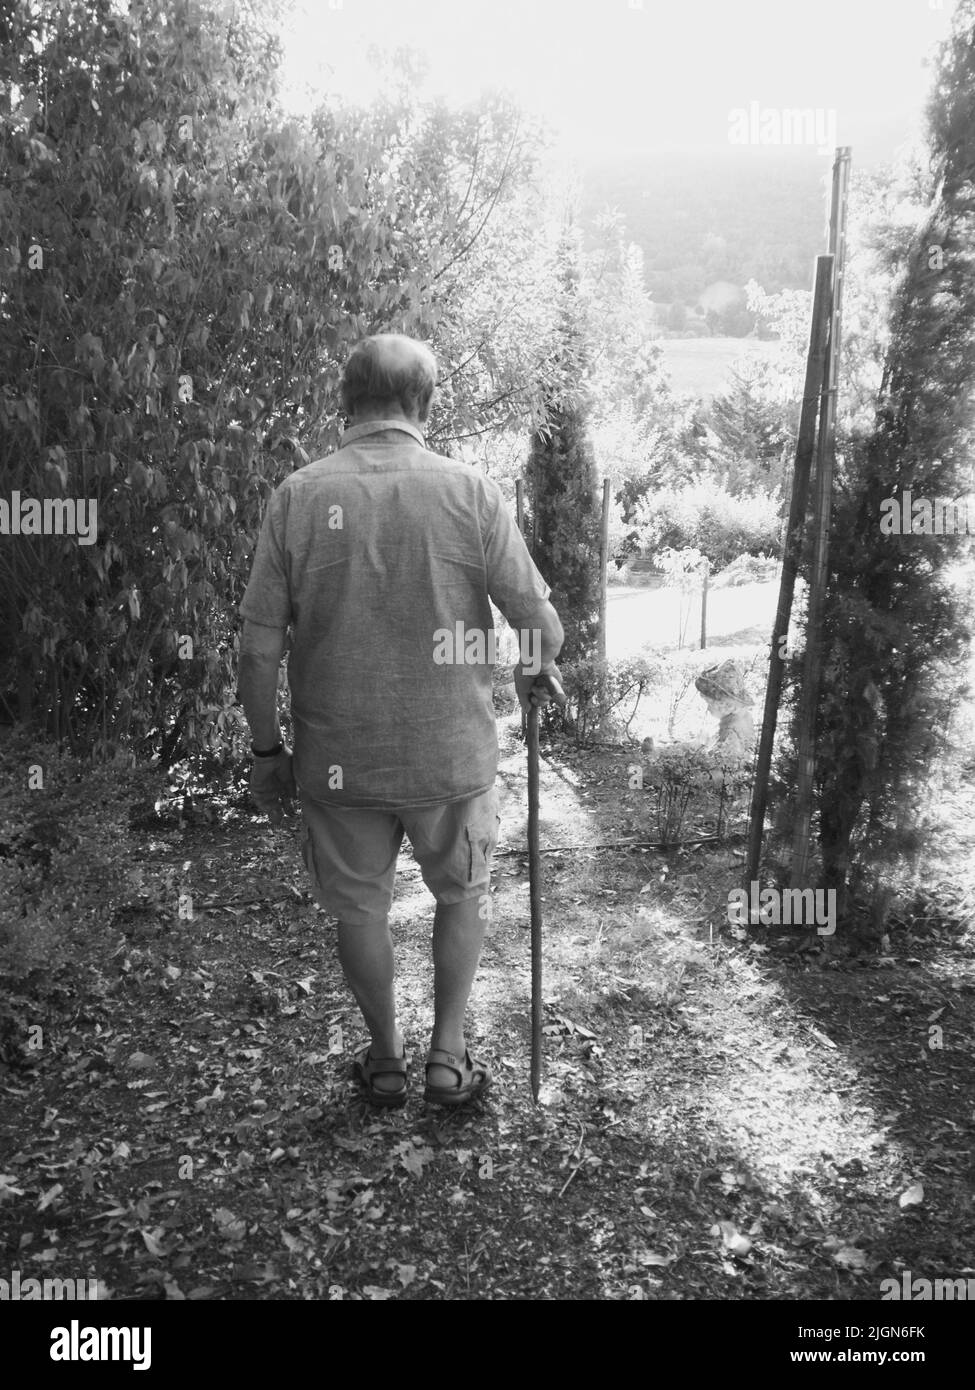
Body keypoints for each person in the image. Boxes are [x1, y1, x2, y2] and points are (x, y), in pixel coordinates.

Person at [237, 333, 564, 1108]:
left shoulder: (298, 496)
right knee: (461, 896)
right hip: (449, 758)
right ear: (424, 405)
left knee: (359, 910)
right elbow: (539, 625)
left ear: (344, 405)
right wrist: (534, 670)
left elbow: (257, 649)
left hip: (338, 758)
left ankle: (384, 1062)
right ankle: (446, 1062)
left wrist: (265, 748)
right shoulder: (471, 493)